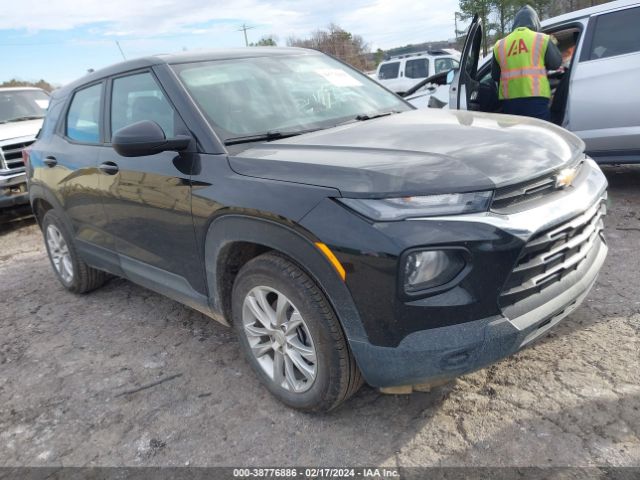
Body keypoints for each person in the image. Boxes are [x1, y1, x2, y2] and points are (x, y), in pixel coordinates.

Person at [491, 5, 562, 121]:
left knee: (516, 135)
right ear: (535, 22)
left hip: (510, 102)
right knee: (539, 134)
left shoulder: (500, 44)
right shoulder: (541, 39)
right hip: (536, 100)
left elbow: (494, 75)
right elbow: (556, 63)